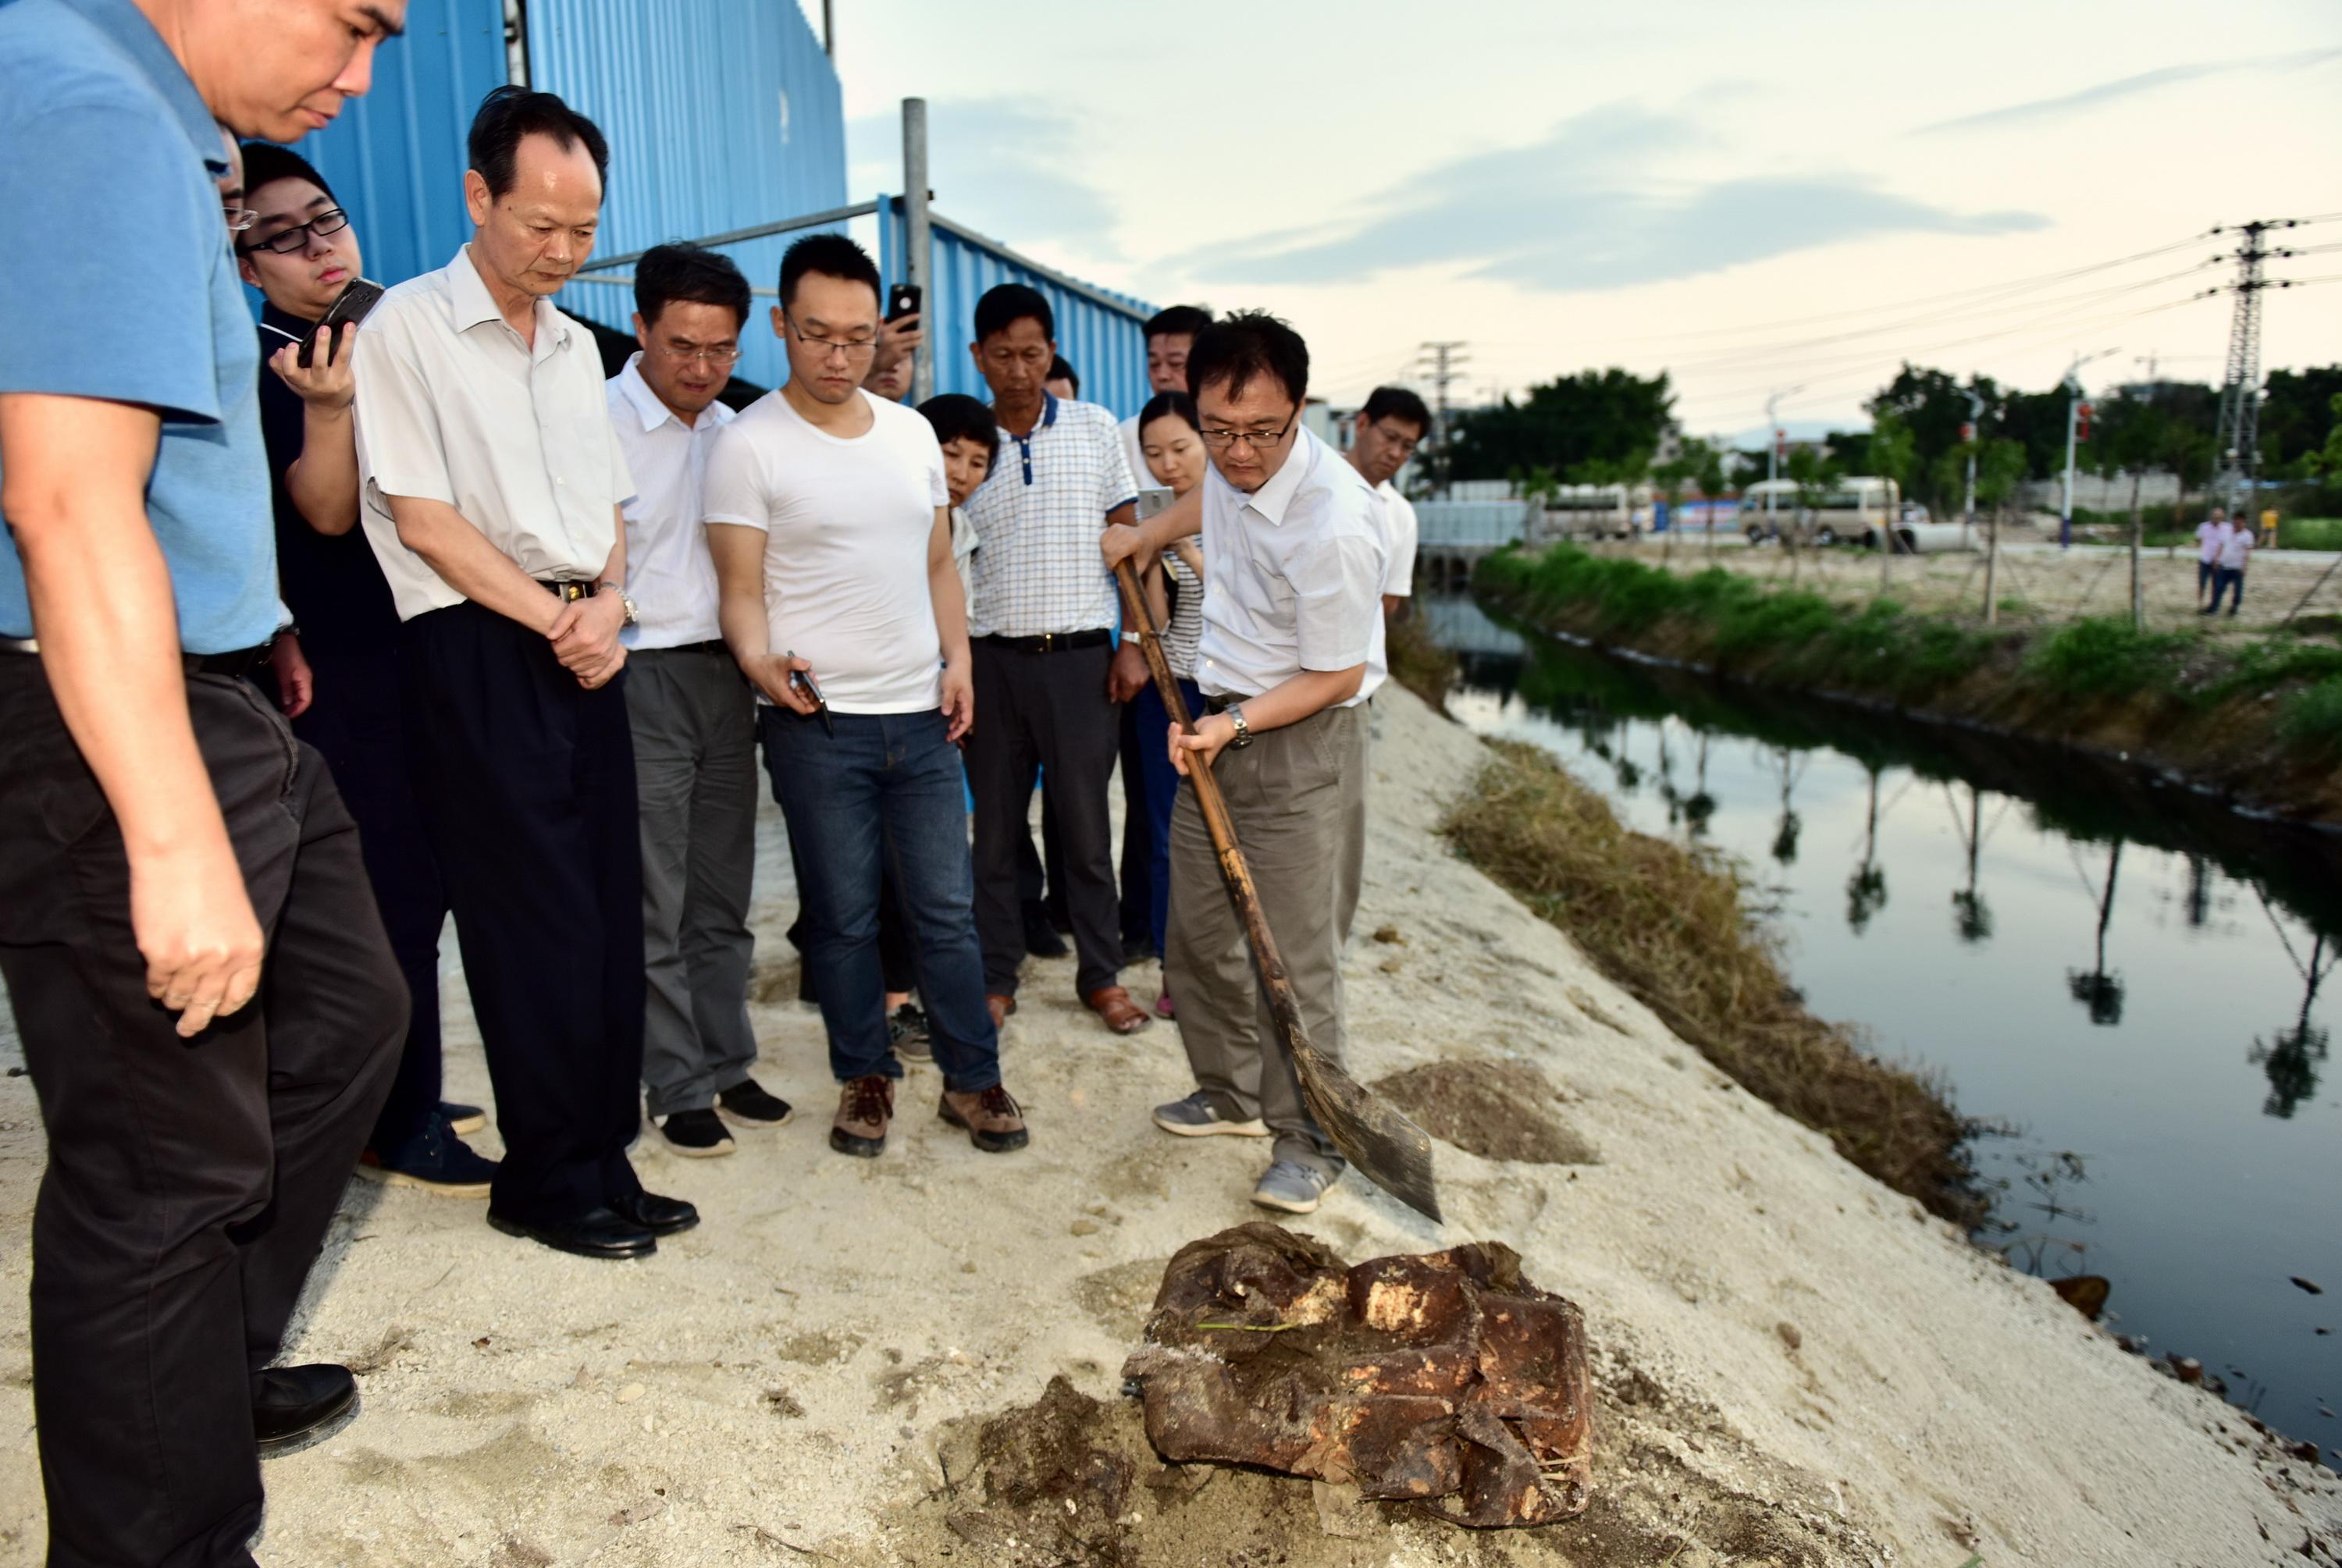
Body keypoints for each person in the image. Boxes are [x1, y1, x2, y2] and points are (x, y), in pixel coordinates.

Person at [0, 2, 408, 1560]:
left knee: (353, 1014)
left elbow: (183, 471)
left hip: (222, 679)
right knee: (164, 1162)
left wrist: (262, 625)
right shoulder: (82, 102)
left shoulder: (162, 129)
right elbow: (64, 495)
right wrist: (168, 838)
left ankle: (201, 1370)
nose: (358, 75)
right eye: (354, 21)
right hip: (113, 706)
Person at [352, 86, 696, 1261]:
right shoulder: (408, 326)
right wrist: (563, 620)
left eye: (584, 230)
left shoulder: (578, 345)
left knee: (606, 908)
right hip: (476, 643)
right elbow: (424, 519)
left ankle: (603, 1154)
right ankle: (542, 1178)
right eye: (540, 226)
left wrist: (606, 601)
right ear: (477, 195)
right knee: (529, 922)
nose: (563, 252)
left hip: (581, 638)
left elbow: (604, 504)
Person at [705, 234, 1027, 1161]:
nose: (839, 357)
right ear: (781, 327)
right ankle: (866, 1075)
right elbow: (739, 589)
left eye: (857, 336)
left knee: (947, 911)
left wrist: (958, 660)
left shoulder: (913, 432)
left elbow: (936, 561)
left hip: (922, 718)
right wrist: (759, 661)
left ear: (879, 330)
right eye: (817, 336)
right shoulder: (748, 445)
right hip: (817, 726)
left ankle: (974, 1078)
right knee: (842, 917)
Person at [1102, 311, 1387, 1216]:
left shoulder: (1337, 520)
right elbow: (1207, 501)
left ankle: (1311, 1137)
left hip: (1296, 740)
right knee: (1194, 930)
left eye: (1264, 431)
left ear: (1299, 408)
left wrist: (1235, 726)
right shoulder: (1227, 466)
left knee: (1295, 957)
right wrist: (1148, 535)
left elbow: (1338, 670)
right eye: (1219, 432)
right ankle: (1227, 1088)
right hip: (1215, 722)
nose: (1241, 453)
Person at [607, 243, 795, 1158]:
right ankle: (674, 1080)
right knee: (654, 892)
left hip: (731, 674)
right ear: (641, 327)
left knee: (722, 891)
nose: (701, 368)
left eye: (720, 349)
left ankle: (727, 1059)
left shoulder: (741, 430)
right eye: (682, 345)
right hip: (639, 676)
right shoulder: (592, 419)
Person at [961, 283, 1152, 1034]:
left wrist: (1134, 642)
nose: (1019, 370)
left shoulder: (1096, 428)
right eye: (1002, 355)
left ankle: (1100, 976)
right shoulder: (962, 441)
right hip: (990, 663)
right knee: (997, 831)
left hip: (1080, 662)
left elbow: (1128, 542)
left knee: (1084, 827)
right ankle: (996, 975)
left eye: (1032, 353)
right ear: (978, 356)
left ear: (1050, 351)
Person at [1129, 390, 1211, 1015]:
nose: (1168, 465)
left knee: (1236, 835)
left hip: (1235, 698)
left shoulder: (1246, 511)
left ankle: (1224, 969)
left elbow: (1243, 600)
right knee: (1167, 837)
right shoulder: (1158, 519)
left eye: (1180, 448)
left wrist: (1185, 547)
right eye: (1153, 453)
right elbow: (1154, 621)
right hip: (1172, 693)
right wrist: (1152, 558)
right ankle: (1171, 968)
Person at [1346, 386, 1431, 614]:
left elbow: (1390, 599)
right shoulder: (1312, 481)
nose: (1395, 453)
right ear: (1362, 424)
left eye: (1407, 447)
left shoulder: (1401, 514)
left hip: (1358, 648)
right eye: (1390, 438)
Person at [2209, 513, 2253, 617]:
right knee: (2219, 588)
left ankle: (2234, 608)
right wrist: (2216, 559)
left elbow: (2247, 552)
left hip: (2237, 568)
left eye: (2240, 522)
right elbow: (2221, 546)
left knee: (2237, 591)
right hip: (2224, 566)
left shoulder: (2247, 535)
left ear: (2244, 522)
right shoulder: (2226, 533)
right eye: (2236, 521)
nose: (2237, 524)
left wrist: (2244, 566)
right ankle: (2214, 608)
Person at [2194, 507, 2230, 610]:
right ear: (2211, 517)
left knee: (2217, 585)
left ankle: (2213, 604)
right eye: (2215, 517)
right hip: (2205, 560)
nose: (2216, 519)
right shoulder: (2203, 527)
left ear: (2222, 517)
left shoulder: (2227, 528)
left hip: (2219, 561)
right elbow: (2199, 539)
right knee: (2202, 583)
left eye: (2219, 517)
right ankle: (2200, 604)